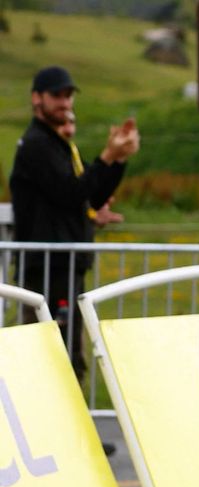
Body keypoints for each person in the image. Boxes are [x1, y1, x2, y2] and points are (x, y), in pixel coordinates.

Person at [8, 65, 139, 378]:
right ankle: (42, 425)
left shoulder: (57, 145)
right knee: (48, 360)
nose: (65, 103)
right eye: (57, 95)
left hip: (65, 266)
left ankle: (68, 423)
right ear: (36, 98)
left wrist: (117, 160)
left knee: (69, 356)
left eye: (68, 96)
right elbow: (70, 192)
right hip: (46, 269)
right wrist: (106, 158)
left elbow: (87, 198)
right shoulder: (37, 144)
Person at [57, 112, 126, 228]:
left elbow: (93, 187)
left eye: (72, 122)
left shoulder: (72, 152)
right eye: (62, 122)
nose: (68, 128)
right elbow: (70, 194)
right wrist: (109, 154)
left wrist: (119, 157)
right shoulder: (45, 152)